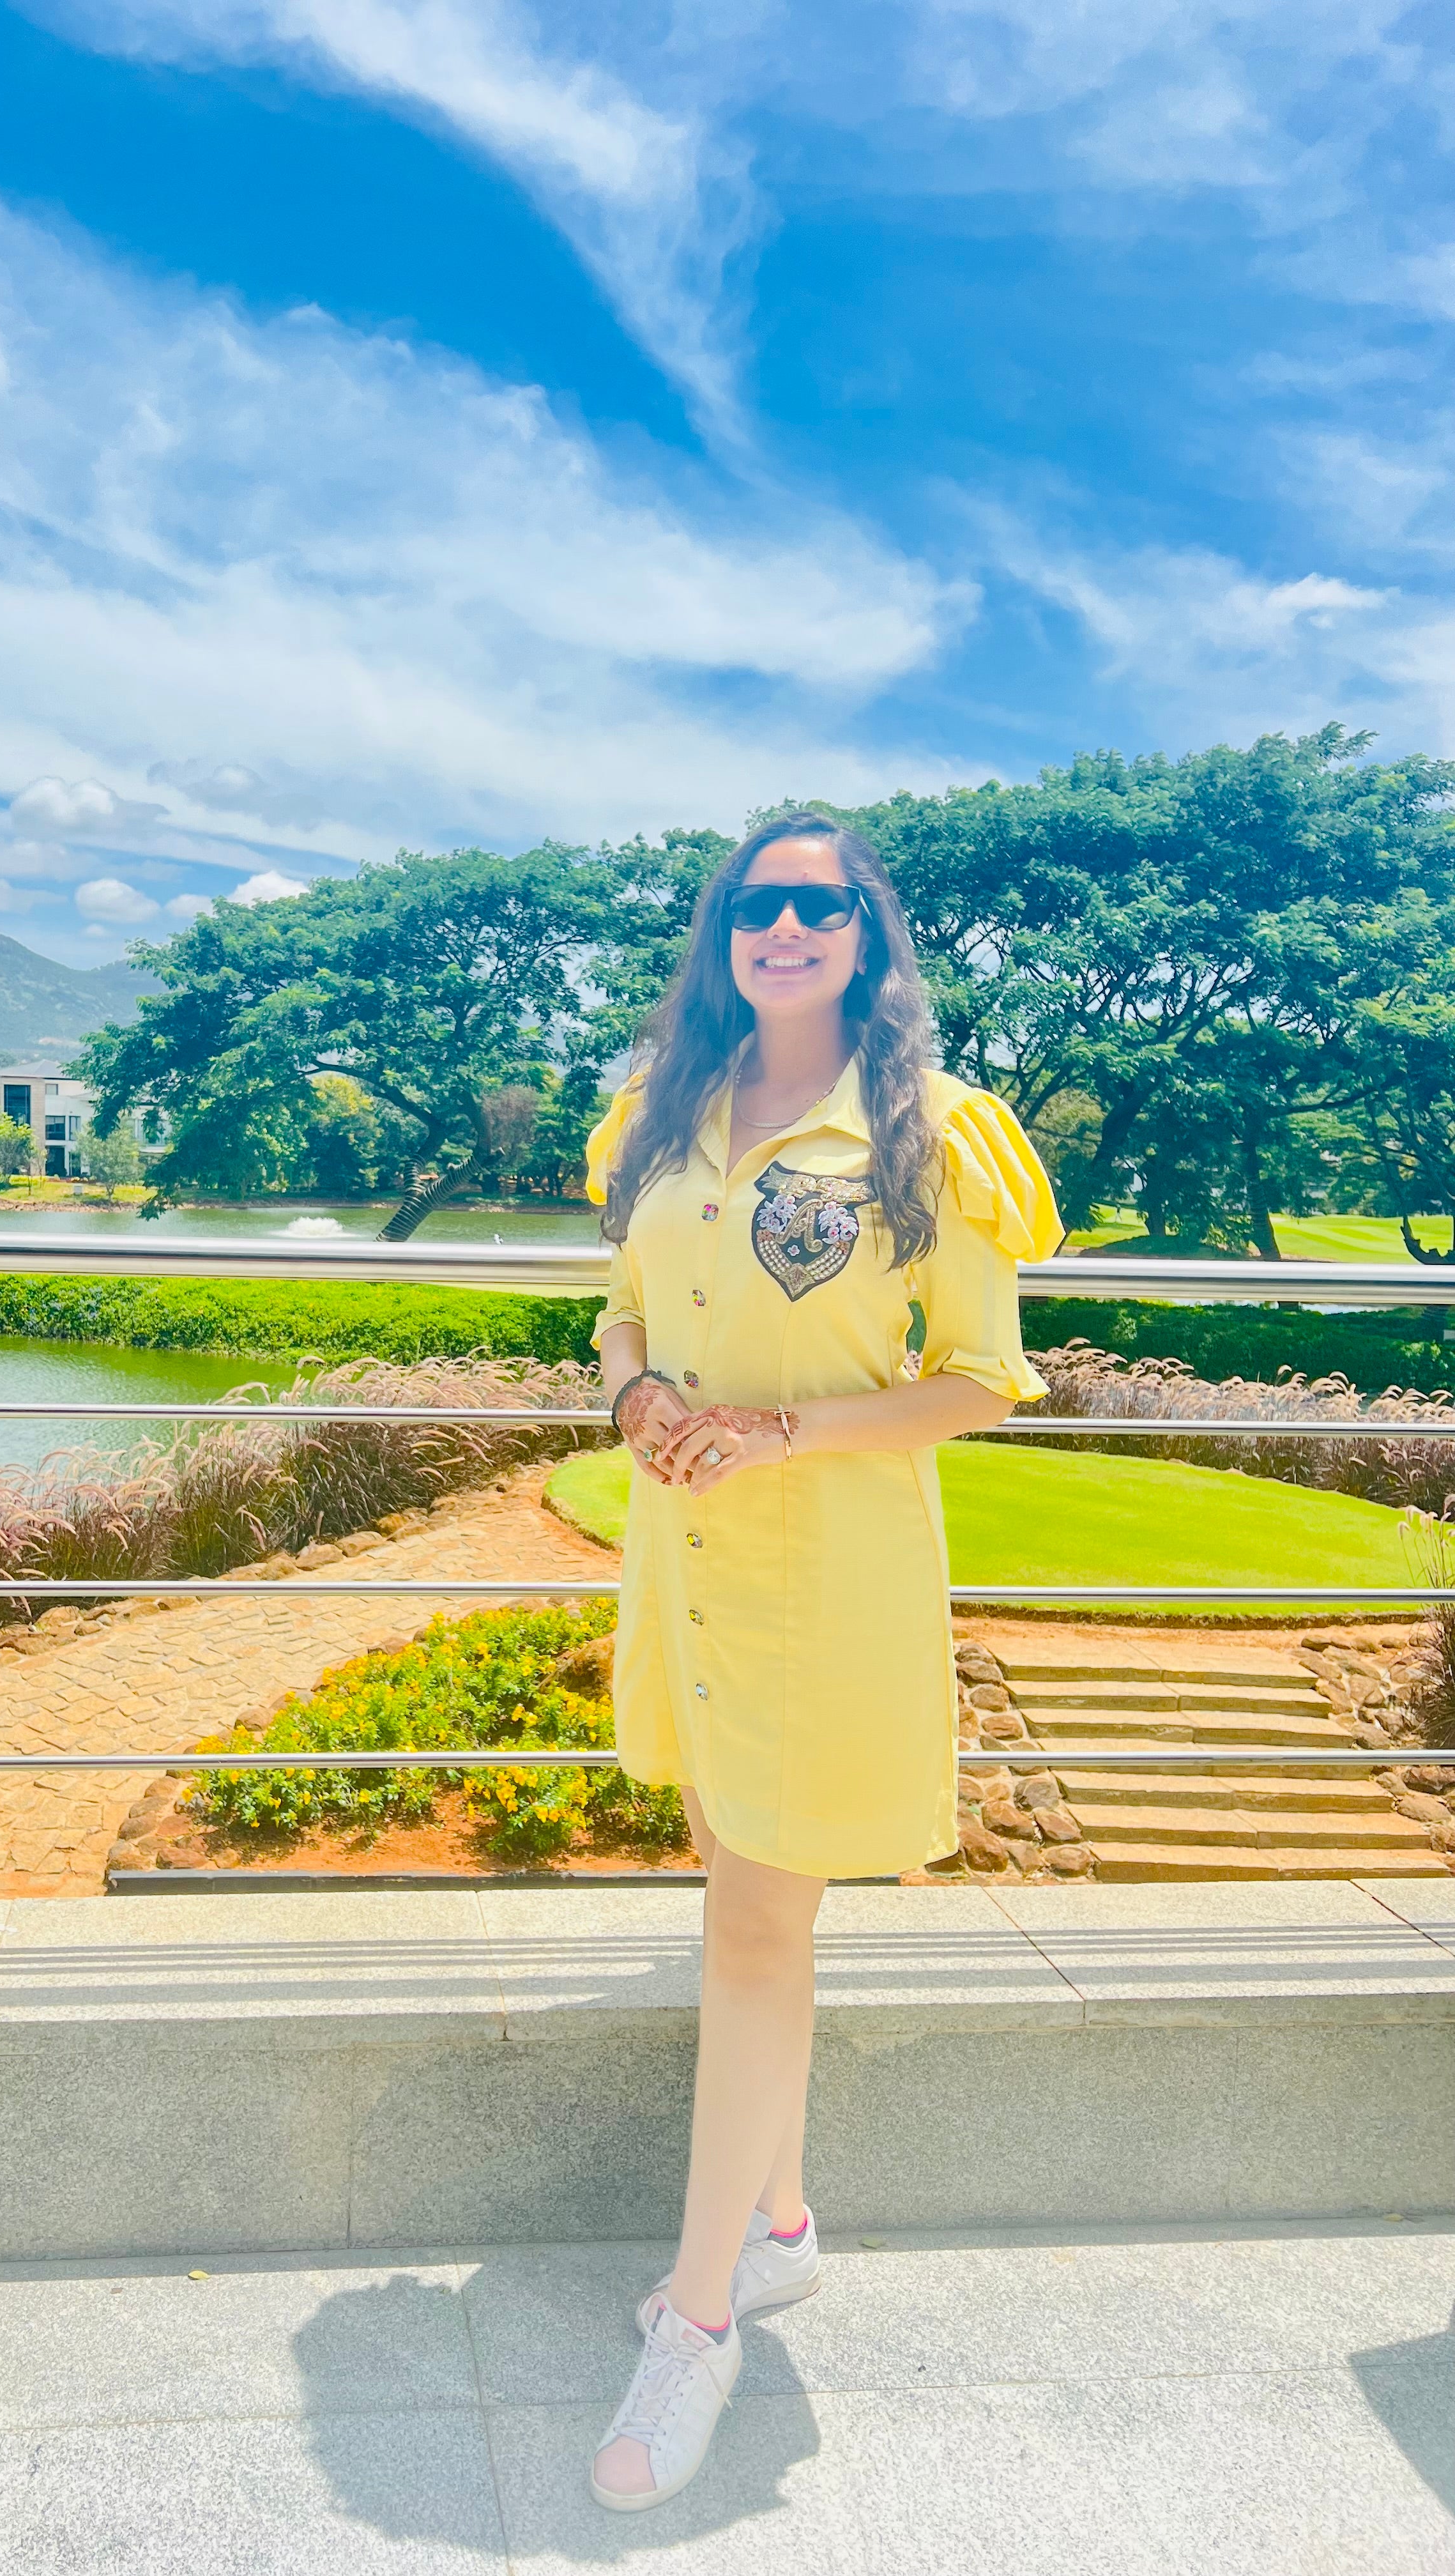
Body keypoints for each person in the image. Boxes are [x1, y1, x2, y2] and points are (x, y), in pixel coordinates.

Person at [581, 808, 1063, 2512]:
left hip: (830, 1562)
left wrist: (784, 1432)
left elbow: (986, 1375)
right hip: (687, 1561)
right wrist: (636, 1392)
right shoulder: (658, 1116)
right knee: (740, 1889)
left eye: (822, 906)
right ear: (723, 933)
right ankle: (777, 2227)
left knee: (755, 1935)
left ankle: (699, 2317)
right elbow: (621, 1306)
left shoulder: (938, 1135)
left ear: (868, 936)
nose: (786, 928)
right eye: (758, 904)